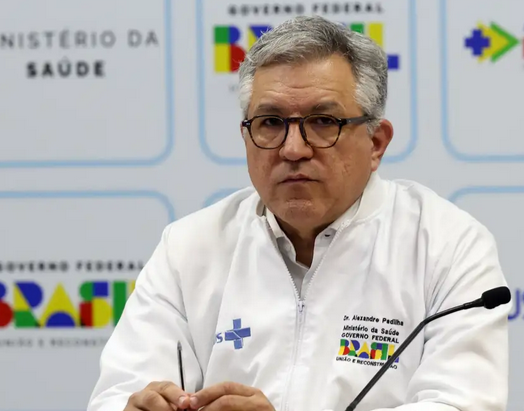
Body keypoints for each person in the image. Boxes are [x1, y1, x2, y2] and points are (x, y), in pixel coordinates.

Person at [87, 15, 509, 411]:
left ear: (376, 143)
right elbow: (117, 393)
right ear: (246, 137)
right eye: (271, 122)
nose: (293, 149)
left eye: (323, 121)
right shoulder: (189, 247)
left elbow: (460, 403)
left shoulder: (445, 245)